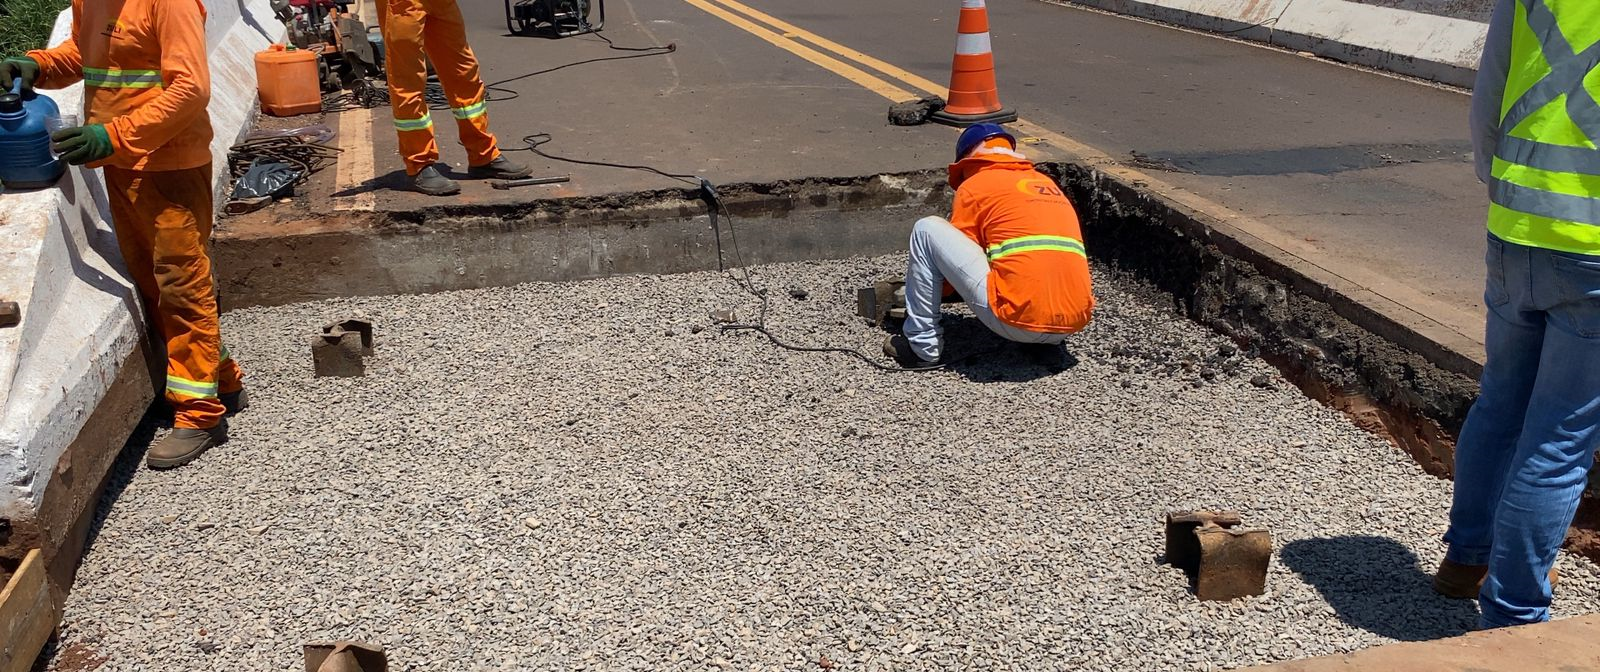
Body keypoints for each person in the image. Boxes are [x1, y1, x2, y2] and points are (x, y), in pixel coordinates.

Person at [1, 0, 246, 469]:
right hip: (121, 163)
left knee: (182, 286)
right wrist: (38, 65)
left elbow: (191, 89)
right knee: (154, 284)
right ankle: (222, 379)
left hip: (170, 164)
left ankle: (200, 414)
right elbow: (85, 53)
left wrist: (113, 136)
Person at [1436, 0, 1600, 629]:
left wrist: (1500, 184)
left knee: (1500, 400)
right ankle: (1513, 615)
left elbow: (1492, 85)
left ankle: (1466, 559)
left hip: (1516, 226)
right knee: (1559, 437)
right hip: (1592, 250)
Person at [884, 123, 1095, 368]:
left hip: (1016, 322)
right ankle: (1044, 343)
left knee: (926, 228)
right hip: (1073, 322)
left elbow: (954, 268)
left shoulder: (976, 184)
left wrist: (925, 291)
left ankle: (922, 347)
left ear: (967, 162)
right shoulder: (1046, 184)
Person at [379, 0, 531, 195]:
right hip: (403, 5)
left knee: (464, 73)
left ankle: (482, 155)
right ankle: (419, 164)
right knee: (408, 80)